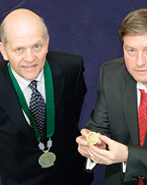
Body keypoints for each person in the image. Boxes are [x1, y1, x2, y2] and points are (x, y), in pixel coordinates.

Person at [76, 8, 147, 185]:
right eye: (131, 51)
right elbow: (99, 127)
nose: (139, 62)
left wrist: (128, 156)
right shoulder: (110, 73)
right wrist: (95, 144)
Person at [0, 8, 93, 185]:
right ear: (4, 51)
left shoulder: (71, 67)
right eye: (19, 49)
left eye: (37, 46)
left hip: (70, 174)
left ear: (47, 42)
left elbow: (75, 108)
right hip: (21, 179)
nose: (30, 58)